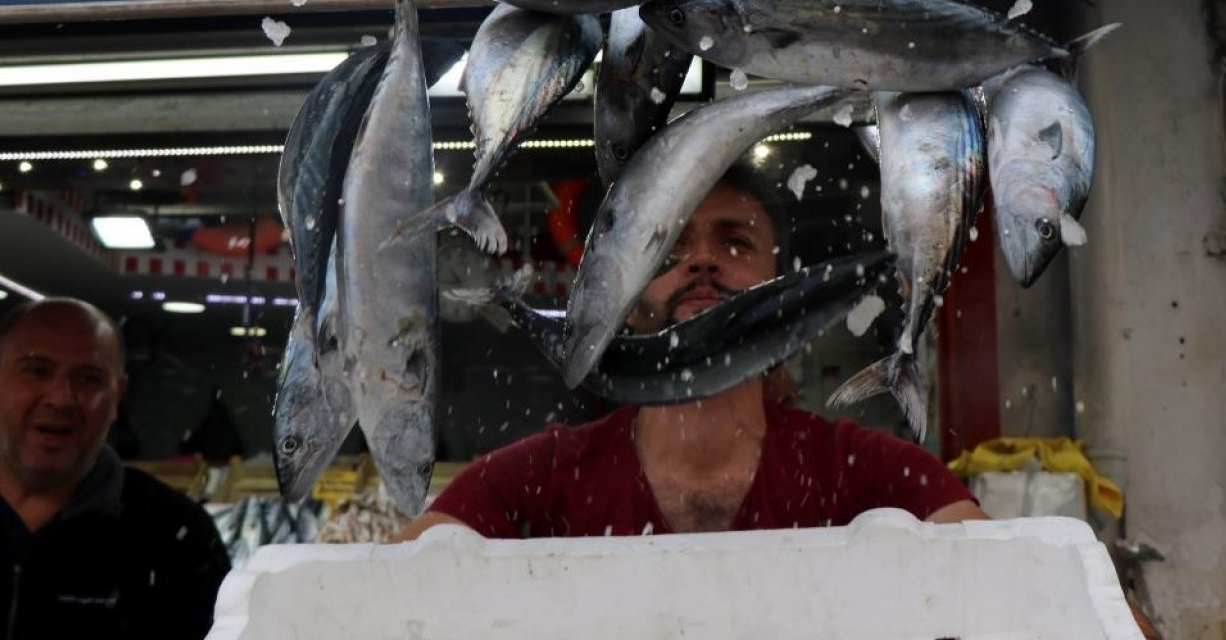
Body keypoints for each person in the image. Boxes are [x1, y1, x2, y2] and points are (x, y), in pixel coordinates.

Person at [397, 166, 985, 540]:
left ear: (782, 283)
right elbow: (398, 584)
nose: (702, 261)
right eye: (668, 246)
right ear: (624, 296)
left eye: (735, 241)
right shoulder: (534, 478)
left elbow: (999, 574)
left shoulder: (865, 470)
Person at [0, 298, 230, 639]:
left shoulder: (177, 537)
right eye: (37, 370)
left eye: (90, 378)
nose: (61, 398)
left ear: (117, 395)